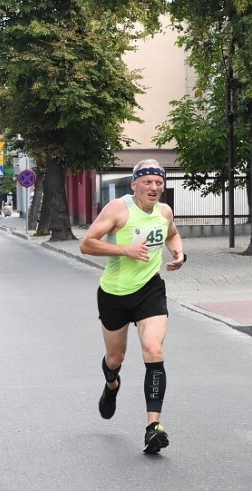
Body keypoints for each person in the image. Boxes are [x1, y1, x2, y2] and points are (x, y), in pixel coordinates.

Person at [80, 159, 186, 454]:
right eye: (148, 182)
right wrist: (123, 249)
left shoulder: (164, 211)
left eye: (158, 182)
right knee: (115, 357)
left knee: (154, 349)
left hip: (150, 290)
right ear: (135, 185)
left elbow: (172, 234)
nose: (154, 187)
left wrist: (178, 253)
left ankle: (154, 427)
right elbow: (87, 243)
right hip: (114, 293)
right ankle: (111, 384)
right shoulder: (118, 209)